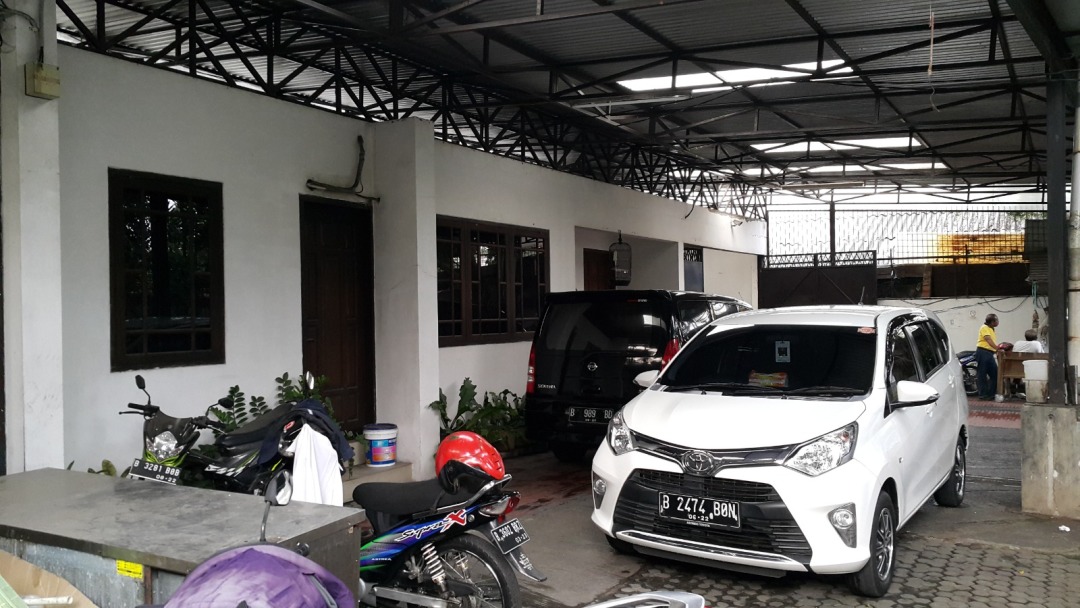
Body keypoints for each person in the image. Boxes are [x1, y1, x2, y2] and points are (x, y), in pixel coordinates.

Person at [975, 313, 1003, 400]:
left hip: (989, 353)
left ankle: (991, 394)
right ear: (992, 322)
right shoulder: (984, 328)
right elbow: (988, 340)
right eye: (996, 320)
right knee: (982, 374)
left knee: (995, 374)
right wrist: (997, 348)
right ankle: (983, 394)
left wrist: (996, 350)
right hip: (983, 352)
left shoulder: (991, 329)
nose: (998, 322)